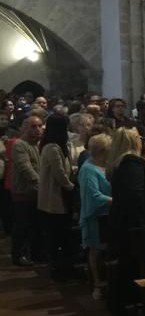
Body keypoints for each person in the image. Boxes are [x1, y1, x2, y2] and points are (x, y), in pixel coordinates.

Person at [108, 126, 145, 316]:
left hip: (121, 219)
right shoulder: (133, 164)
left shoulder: (119, 163)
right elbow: (137, 196)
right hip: (133, 224)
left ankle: (121, 304)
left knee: (125, 263)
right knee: (130, 265)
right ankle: (126, 305)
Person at [37, 114, 75, 279]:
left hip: (57, 197)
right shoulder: (52, 147)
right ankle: (58, 269)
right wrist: (71, 186)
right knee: (57, 236)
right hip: (54, 199)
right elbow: (59, 173)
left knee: (59, 235)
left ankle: (61, 267)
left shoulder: (55, 146)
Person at [78, 133, 112, 300]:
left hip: (108, 214)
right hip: (95, 216)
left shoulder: (107, 164)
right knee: (95, 251)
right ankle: (97, 284)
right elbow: (94, 196)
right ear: (102, 151)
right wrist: (116, 200)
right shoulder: (88, 169)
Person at [10, 114, 44, 266]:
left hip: (37, 192)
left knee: (35, 225)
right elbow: (25, 168)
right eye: (33, 126)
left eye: (39, 126)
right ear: (24, 128)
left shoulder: (38, 144)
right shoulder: (20, 144)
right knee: (22, 226)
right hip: (23, 192)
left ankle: (36, 254)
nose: (38, 129)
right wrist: (41, 183)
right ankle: (18, 255)